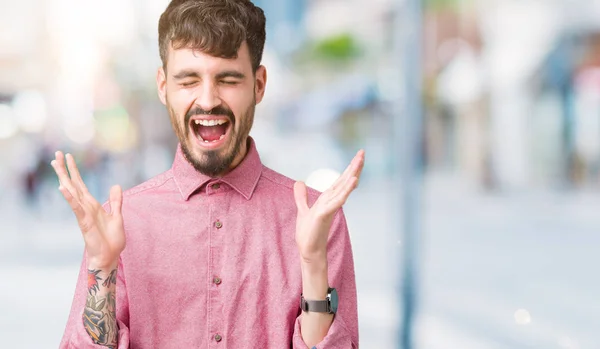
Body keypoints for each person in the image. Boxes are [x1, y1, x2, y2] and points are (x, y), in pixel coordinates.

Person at [53, 0, 364, 348]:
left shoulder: (317, 218)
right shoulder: (121, 222)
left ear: (259, 85)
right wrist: (102, 266)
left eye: (228, 79)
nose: (207, 99)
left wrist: (313, 263)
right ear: (162, 86)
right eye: (187, 81)